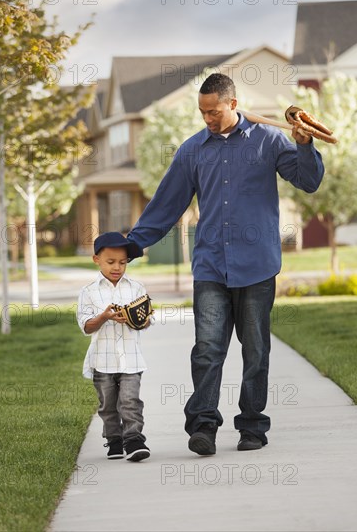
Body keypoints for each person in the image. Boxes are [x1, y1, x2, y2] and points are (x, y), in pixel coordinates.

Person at [128, 73, 325, 455]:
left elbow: (309, 181)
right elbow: (168, 203)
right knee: (207, 349)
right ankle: (203, 425)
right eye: (202, 113)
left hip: (257, 267)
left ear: (233, 104)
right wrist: (133, 244)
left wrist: (305, 145)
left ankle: (252, 427)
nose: (207, 119)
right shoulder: (192, 151)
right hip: (212, 267)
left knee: (255, 352)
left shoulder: (269, 140)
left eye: (213, 111)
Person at [77, 231, 151, 462]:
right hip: (102, 360)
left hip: (131, 359)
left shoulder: (137, 288)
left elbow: (144, 322)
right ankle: (114, 440)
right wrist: (105, 317)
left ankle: (134, 440)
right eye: (110, 262)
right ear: (96, 259)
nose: (117, 267)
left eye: (122, 262)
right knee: (108, 406)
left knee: (130, 401)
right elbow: (87, 326)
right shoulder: (89, 292)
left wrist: (140, 318)